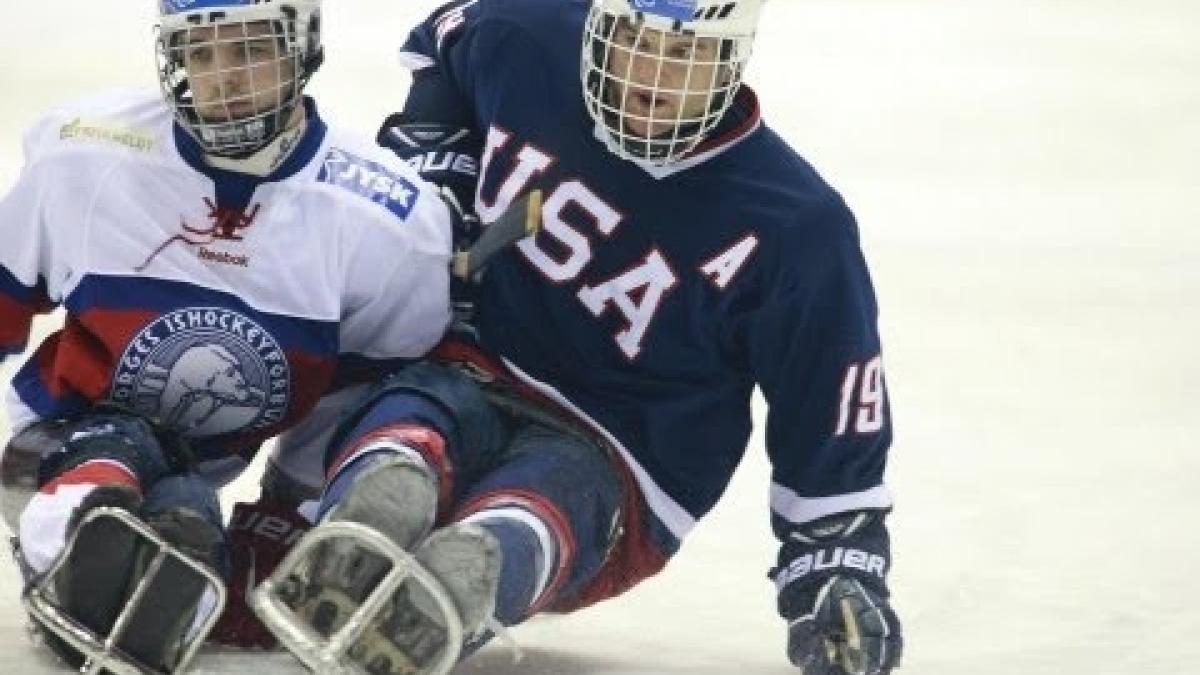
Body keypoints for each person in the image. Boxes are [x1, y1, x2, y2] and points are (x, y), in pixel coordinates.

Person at [262, 1, 904, 673]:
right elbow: (443, 43)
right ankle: (361, 522)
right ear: (599, 27)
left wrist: (838, 562)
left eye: (684, 54)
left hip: (623, 455)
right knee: (408, 434)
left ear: (730, 57)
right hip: (474, 363)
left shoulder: (797, 229)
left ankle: (471, 575)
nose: (651, 74)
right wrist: (435, 159)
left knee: (534, 508)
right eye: (634, 40)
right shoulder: (527, 38)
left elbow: (828, 410)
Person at [0, 0, 458, 671]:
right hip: (63, 426)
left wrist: (286, 513)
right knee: (115, 460)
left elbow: (360, 396)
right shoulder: (84, 154)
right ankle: (77, 524)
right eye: (201, 51)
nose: (222, 76)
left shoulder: (385, 218)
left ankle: (152, 547)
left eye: (249, 49)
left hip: (195, 469)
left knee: (189, 523)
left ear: (302, 44)